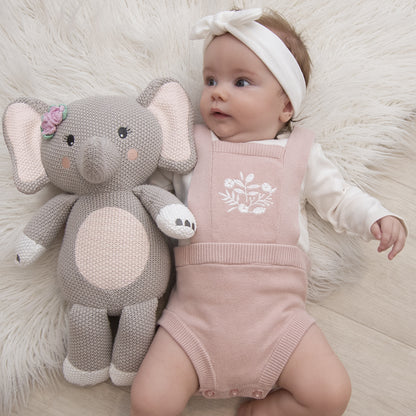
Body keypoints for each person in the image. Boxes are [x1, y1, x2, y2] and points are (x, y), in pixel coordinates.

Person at [130, 8, 407, 416]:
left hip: (279, 323)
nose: (218, 93)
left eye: (241, 82)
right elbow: (154, 192)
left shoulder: (299, 152)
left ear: (285, 106)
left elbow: (338, 197)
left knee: (331, 395)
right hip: (193, 320)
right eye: (211, 80)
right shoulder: (192, 144)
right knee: (149, 402)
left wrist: (375, 217)